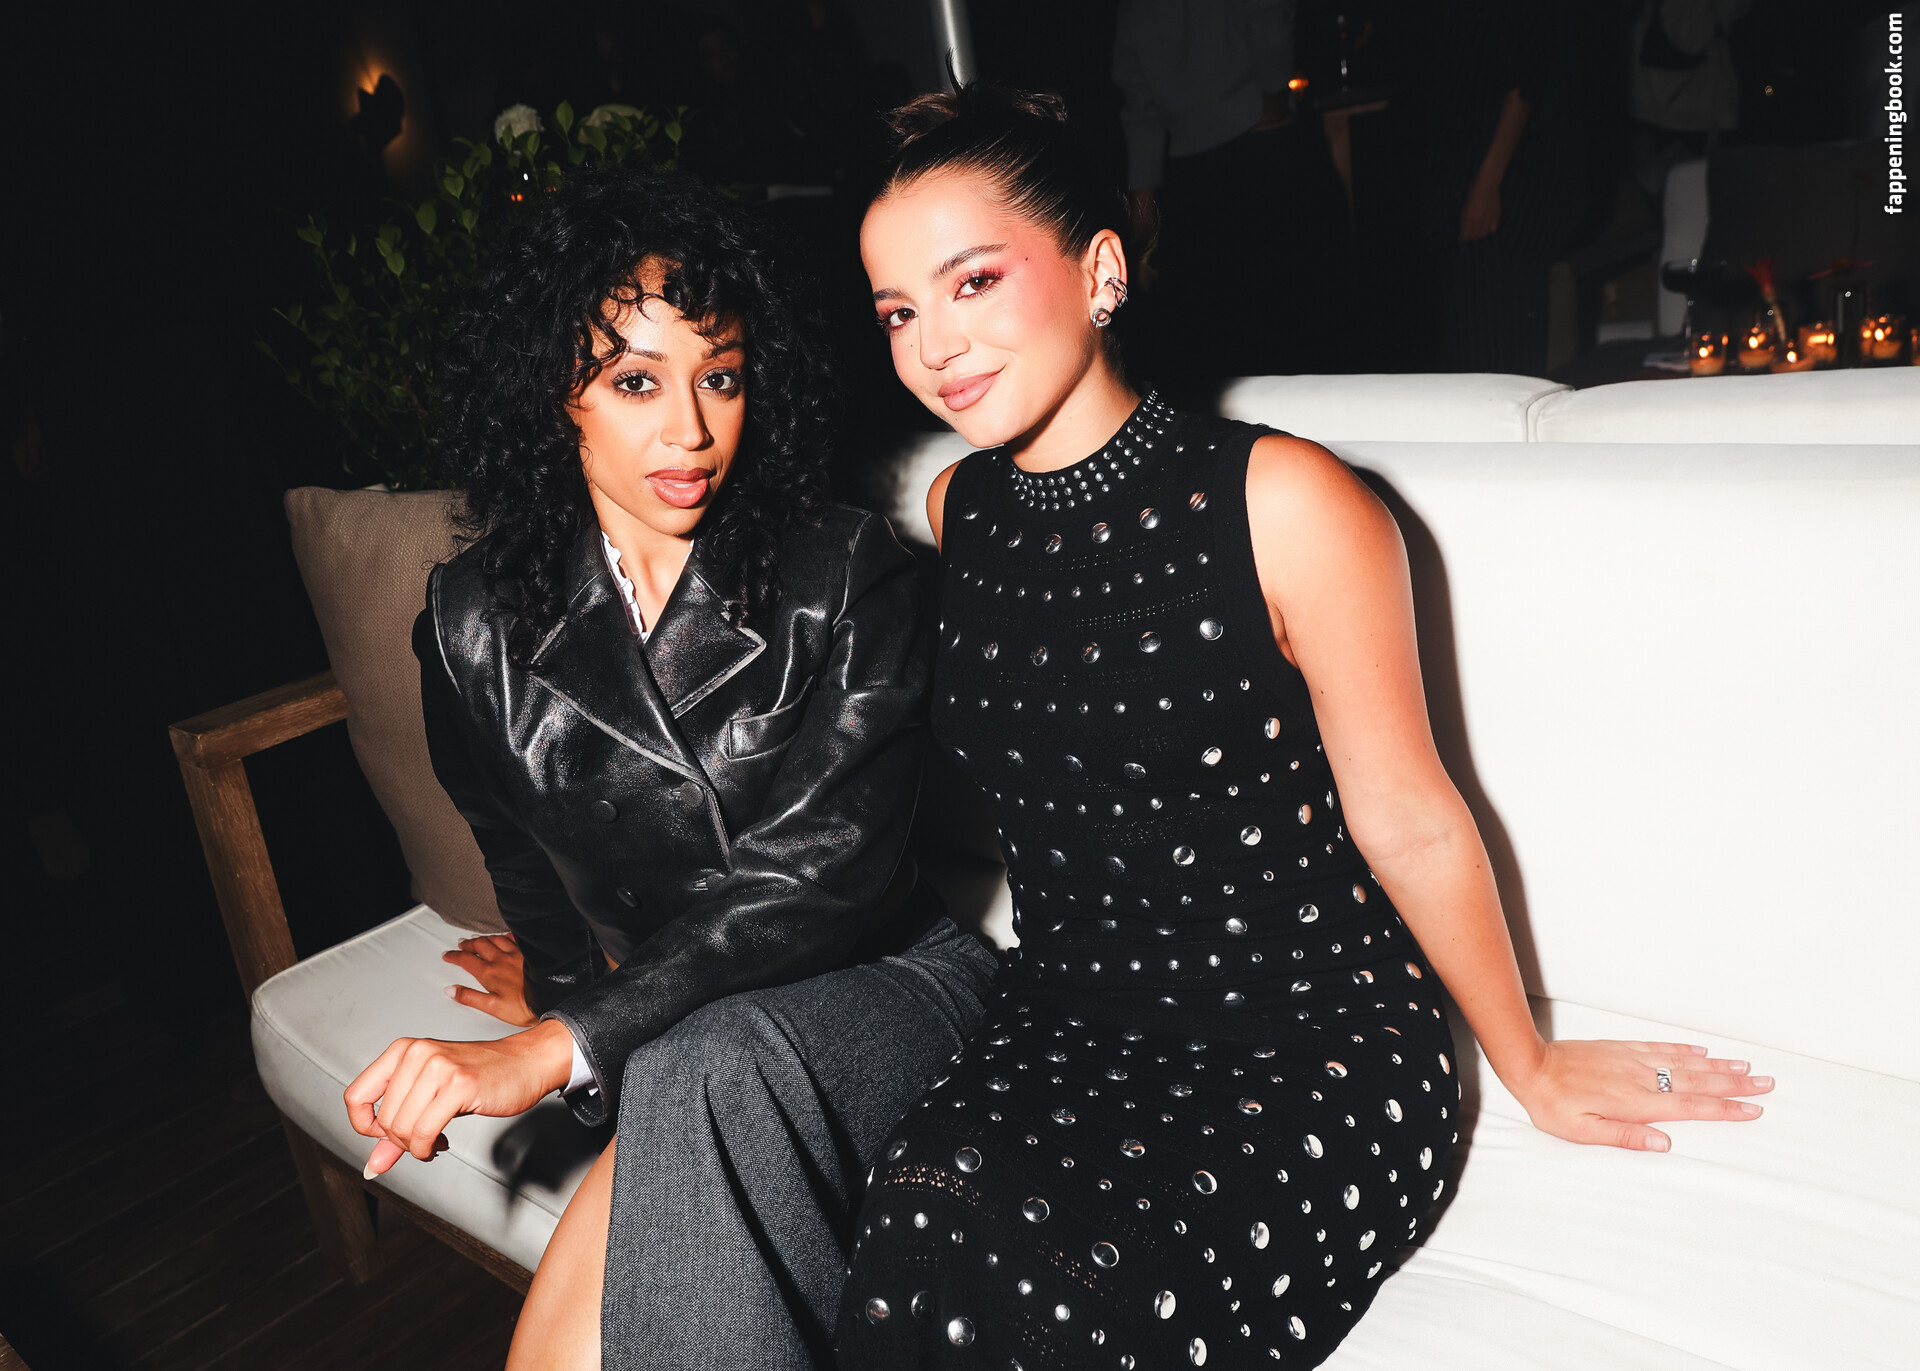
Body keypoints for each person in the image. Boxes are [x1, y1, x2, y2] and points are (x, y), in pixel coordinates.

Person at [837, 84, 1773, 1368]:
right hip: (1068, 1022)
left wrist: (1531, 1063)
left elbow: (1411, 820)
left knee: (1071, 1309)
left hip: (1308, 1037)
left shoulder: (1286, 500)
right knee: (910, 1241)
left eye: (975, 282)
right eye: (899, 311)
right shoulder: (960, 510)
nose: (935, 345)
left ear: (1100, 271)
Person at [340, 170, 998, 1371]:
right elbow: (518, 856)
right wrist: (561, 997)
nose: (691, 431)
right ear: (554, 393)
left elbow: (819, 883)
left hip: (888, 989)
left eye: (722, 377)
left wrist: (565, 1039)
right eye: (635, 381)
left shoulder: (848, 574)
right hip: (676, 1036)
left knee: (702, 1065)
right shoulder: (468, 623)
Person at [1110, 0, 1349, 379]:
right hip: (1257, 150)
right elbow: (1269, 22)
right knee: (1291, 332)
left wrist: (1143, 235)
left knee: (1228, 344)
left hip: (1195, 173)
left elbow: (1140, 112)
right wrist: (1273, 107)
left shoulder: (1133, 12)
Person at [1421, 0, 1587, 375]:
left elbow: (1526, 79)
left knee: (1494, 362)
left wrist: (1487, 183)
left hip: (1508, 190)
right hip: (1474, 182)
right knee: (1481, 354)